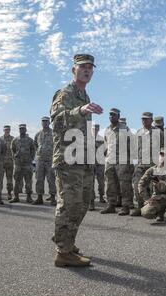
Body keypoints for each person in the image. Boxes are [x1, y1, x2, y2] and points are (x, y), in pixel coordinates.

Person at [50, 54, 103, 267]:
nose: (87, 70)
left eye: (90, 67)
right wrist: (79, 111)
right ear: (74, 70)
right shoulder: (65, 93)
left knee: (81, 204)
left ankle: (67, 242)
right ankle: (63, 252)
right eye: (83, 67)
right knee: (69, 204)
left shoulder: (85, 96)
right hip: (67, 158)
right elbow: (56, 121)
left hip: (83, 159)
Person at [100, 108, 134, 216]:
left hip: (122, 161)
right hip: (110, 160)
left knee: (124, 184)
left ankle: (126, 206)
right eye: (110, 115)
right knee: (110, 184)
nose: (111, 117)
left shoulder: (125, 129)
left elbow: (131, 145)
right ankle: (111, 205)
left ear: (118, 116)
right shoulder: (107, 130)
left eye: (114, 115)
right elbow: (106, 144)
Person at [132, 112, 156, 216]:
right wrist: (135, 164)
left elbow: (165, 148)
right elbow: (135, 149)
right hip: (140, 164)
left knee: (151, 188)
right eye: (142, 119)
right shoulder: (139, 132)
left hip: (152, 165)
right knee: (138, 186)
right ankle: (139, 206)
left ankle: (152, 209)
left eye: (146, 119)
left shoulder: (158, 132)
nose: (144, 121)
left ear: (152, 120)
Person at [10, 124, 36, 204]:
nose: (22, 130)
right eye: (20, 129)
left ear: (26, 130)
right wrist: (15, 158)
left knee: (28, 181)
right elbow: (12, 149)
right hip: (18, 164)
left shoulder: (30, 140)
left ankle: (29, 197)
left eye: (23, 129)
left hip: (27, 164)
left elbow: (33, 149)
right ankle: (16, 197)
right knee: (17, 180)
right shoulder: (15, 140)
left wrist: (31, 158)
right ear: (19, 130)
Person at [33, 117, 56, 206]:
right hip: (40, 160)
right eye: (43, 122)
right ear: (41, 123)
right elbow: (35, 145)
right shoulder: (38, 134)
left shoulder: (53, 133)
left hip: (50, 160)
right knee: (39, 179)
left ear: (49, 122)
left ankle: (53, 198)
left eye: (46, 121)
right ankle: (39, 198)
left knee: (51, 179)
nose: (45, 123)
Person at [89, 124, 106, 211]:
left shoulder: (102, 139)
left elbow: (106, 151)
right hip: (91, 164)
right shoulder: (88, 139)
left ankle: (101, 196)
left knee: (101, 182)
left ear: (98, 129)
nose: (95, 129)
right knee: (90, 182)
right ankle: (91, 202)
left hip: (100, 163)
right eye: (93, 128)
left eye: (96, 128)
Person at [1, 125, 14, 200]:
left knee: (9, 179)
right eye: (5, 129)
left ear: (10, 130)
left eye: (8, 129)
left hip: (10, 162)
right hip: (1, 162)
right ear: (3, 130)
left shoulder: (13, 139)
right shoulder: (0, 139)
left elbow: (15, 149)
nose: (7, 131)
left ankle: (9, 193)